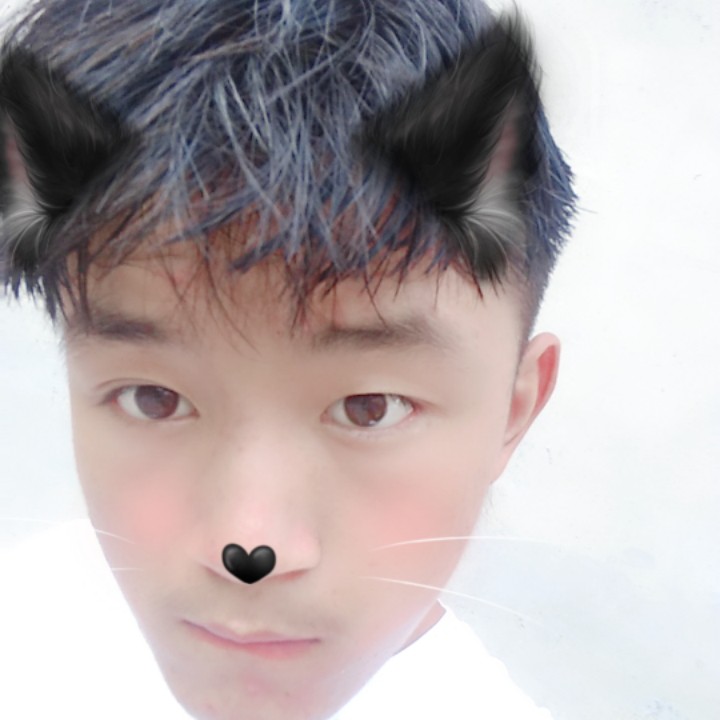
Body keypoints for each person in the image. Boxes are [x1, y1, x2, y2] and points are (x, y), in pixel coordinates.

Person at [0, 0, 576, 718]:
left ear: (514, 413)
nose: (249, 544)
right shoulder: (23, 622)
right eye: (153, 398)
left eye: (369, 409)